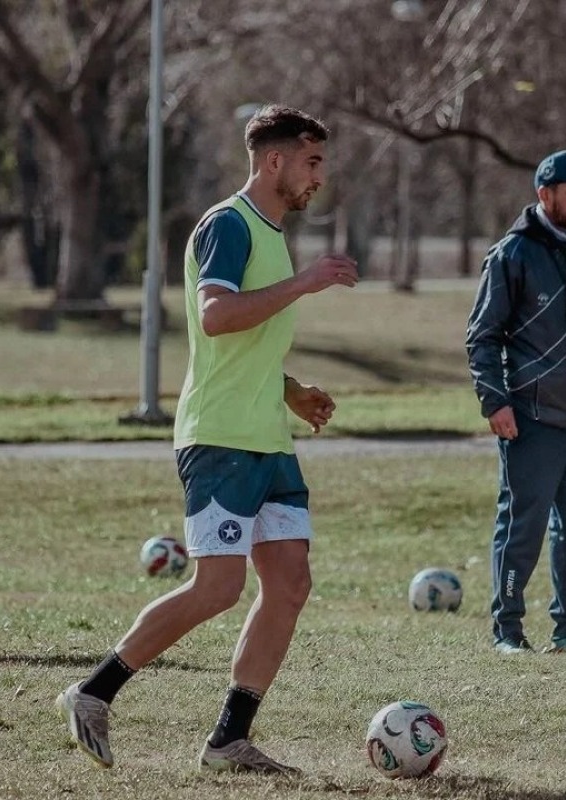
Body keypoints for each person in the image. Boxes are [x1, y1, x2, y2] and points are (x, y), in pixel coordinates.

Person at [56, 105, 358, 774]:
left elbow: (246, 347)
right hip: (219, 438)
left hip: (269, 441)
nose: (319, 177)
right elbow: (216, 317)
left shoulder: (274, 236)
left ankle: (228, 740)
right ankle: (92, 691)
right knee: (218, 587)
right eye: (311, 162)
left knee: (290, 583)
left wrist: (290, 391)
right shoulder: (229, 224)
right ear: (274, 161)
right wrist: (306, 283)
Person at [466, 149, 566, 655]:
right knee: (522, 528)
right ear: (544, 194)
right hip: (530, 417)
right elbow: (482, 337)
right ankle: (507, 631)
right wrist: (495, 403)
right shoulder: (510, 255)